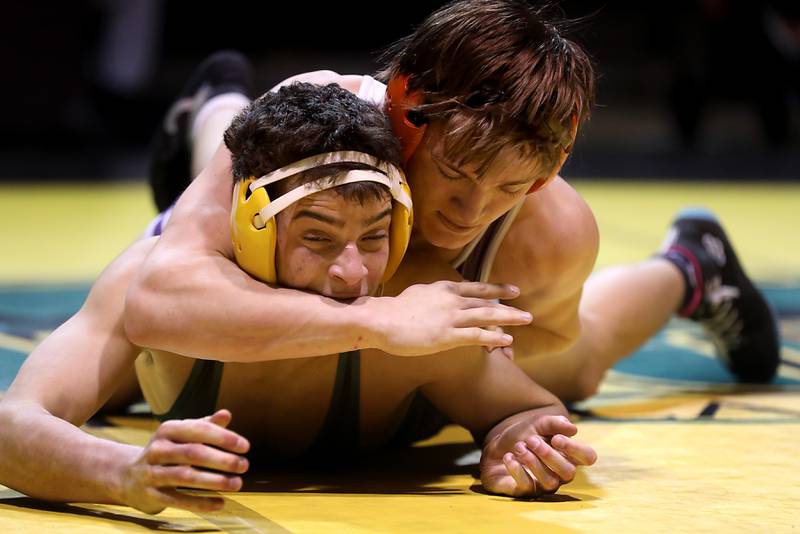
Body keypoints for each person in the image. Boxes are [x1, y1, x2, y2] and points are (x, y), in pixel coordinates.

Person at [126, 0, 780, 404]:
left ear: (548, 170)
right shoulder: (327, 118)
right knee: (229, 178)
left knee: (573, 375)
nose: (472, 212)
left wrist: (440, 354)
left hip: (434, 317)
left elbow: (551, 338)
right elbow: (160, 295)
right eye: (457, 172)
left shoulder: (553, 226)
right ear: (408, 111)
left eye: (509, 187)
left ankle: (693, 265)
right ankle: (217, 104)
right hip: (277, 199)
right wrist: (382, 328)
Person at [0, 82, 597, 515]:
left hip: (418, 362)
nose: (350, 272)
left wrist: (520, 444)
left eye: (374, 236)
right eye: (317, 236)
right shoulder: (163, 284)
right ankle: (217, 106)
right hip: (194, 307)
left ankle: (684, 268)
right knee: (143, 336)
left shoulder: (417, 307)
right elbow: (11, 426)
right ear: (252, 225)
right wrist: (122, 474)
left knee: (579, 360)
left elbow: (528, 412)